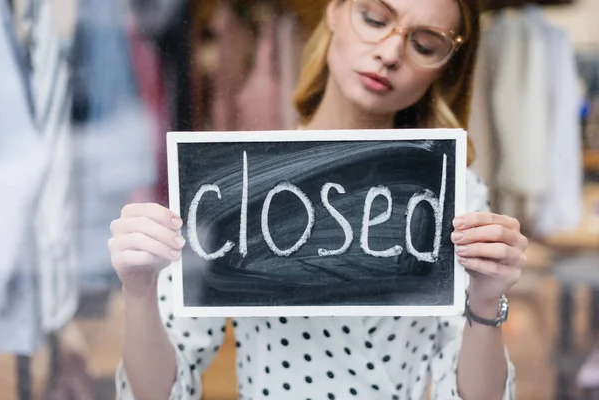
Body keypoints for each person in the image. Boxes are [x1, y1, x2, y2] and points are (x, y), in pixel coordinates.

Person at [109, 0, 528, 398]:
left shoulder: (453, 195)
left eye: (424, 44)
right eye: (375, 19)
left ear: (446, 68)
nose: (389, 53)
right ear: (335, 12)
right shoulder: (240, 180)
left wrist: (487, 301)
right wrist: (140, 292)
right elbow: (158, 392)